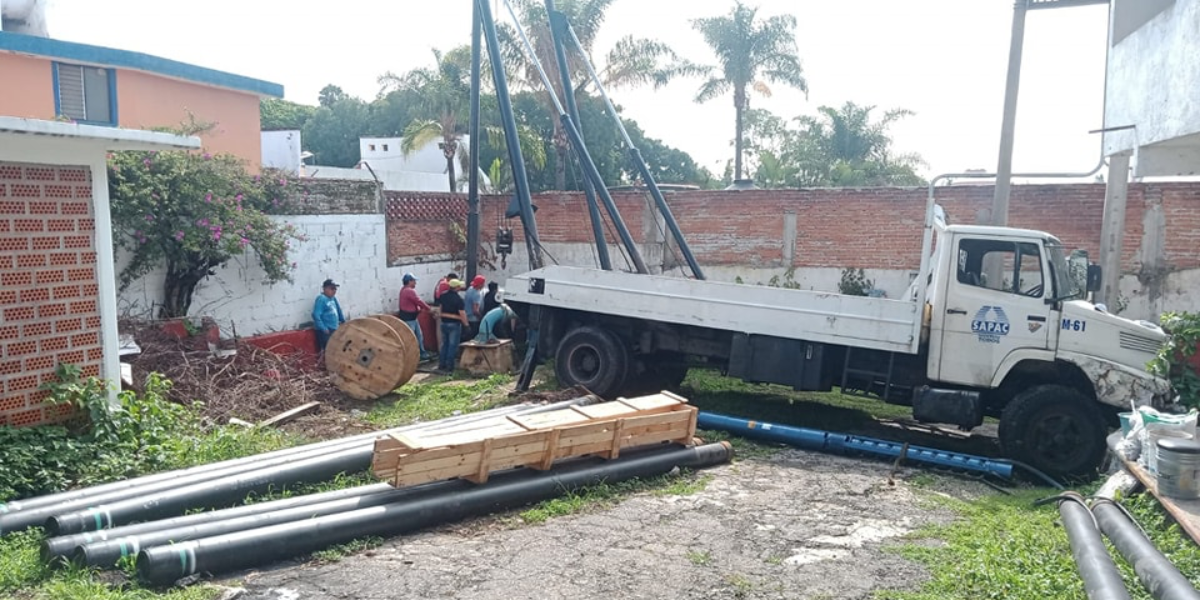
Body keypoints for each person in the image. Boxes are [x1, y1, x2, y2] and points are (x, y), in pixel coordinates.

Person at [435, 279, 469, 372]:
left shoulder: (442, 296)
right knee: (452, 346)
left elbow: (440, 309)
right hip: (454, 324)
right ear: (457, 287)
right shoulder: (459, 299)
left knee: (444, 345)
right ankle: (450, 367)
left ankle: (442, 364)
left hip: (444, 323)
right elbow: (462, 314)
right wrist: (466, 325)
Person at [397, 272, 433, 361]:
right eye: (414, 281)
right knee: (411, 338)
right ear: (409, 281)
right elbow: (418, 301)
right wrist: (429, 308)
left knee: (418, 336)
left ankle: (421, 353)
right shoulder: (409, 291)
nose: (415, 283)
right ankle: (413, 356)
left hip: (411, 318)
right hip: (409, 319)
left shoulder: (403, 290)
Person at [312, 279, 345, 353]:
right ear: (325, 289)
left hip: (334, 328)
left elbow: (338, 310)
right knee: (327, 351)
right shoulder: (321, 299)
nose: (334, 291)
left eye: (335, 289)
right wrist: (323, 328)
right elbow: (315, 314)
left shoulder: (333, 298)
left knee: (335, 350)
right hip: (326, 331)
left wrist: (343, 321)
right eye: (332, 288)